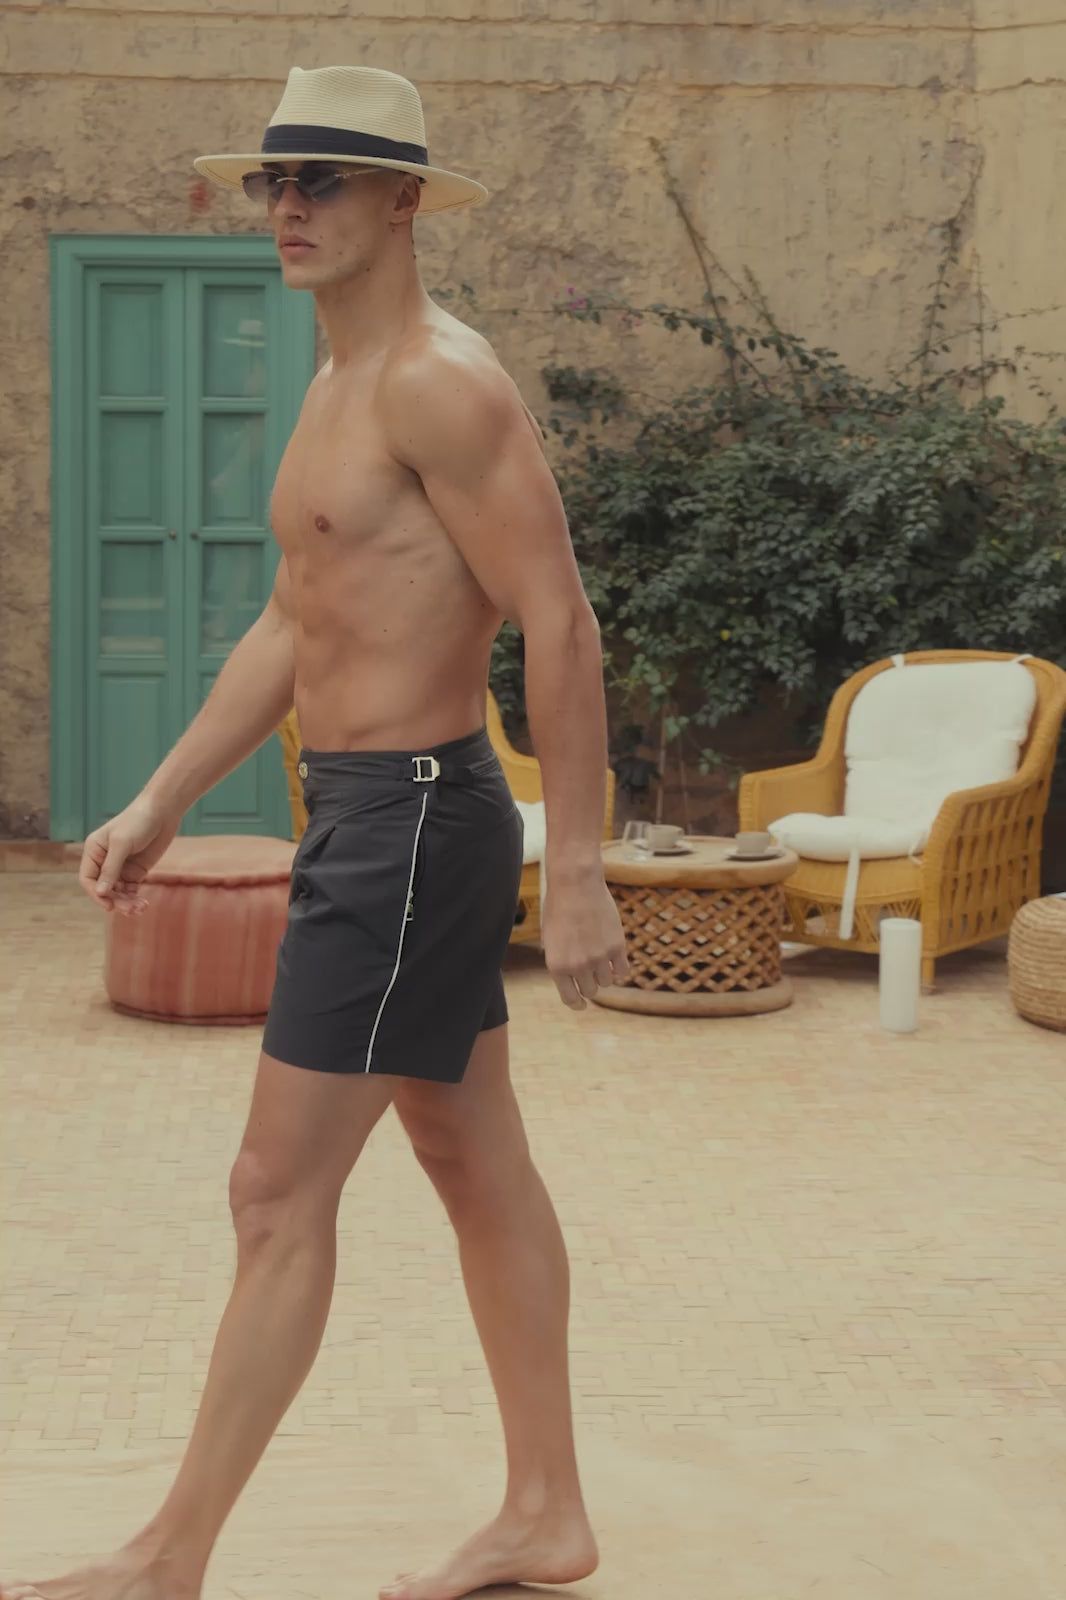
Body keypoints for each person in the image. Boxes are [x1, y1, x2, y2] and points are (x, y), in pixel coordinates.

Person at [1, 64, 628, 1600]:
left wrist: (581, 866)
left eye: (322, 180)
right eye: (275, 181)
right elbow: (297, 619)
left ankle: (169, 1557)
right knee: (471, 1160)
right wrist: (159, 797)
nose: (286, 206)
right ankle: (545, 1512)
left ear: (404, 200)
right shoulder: (335, 384)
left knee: (273, 1192)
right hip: (367, 813)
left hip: (411, 822)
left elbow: (558, 619)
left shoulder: (439, 384)